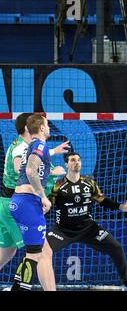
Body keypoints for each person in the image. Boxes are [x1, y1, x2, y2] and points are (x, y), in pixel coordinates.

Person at [37, 152, 127, 291]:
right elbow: (48, 204)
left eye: (79, 160)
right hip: (63, 231)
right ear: (66, 164)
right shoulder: (57, 185)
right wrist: (43, 208)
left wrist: (121, 207)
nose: (76, 162)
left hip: (89, 229)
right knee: (39, 251)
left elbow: (102, 200)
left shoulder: (89, 183)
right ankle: (21, 284)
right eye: (73, 160)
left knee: (116, 247)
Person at [0, 113, 69, 273]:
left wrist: (52, 152)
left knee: (8, 252)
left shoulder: (27, 145)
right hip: (14, 203)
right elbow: (21, 169)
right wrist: (51, 174)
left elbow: (32, 156)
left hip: (8, 203)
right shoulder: (20, 147)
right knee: (41, 252)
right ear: (27, 128)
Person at [9, 115, 58, 290]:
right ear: (42, 128)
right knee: (35, 255)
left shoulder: (30, 145)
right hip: (28, 202)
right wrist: (43, 197)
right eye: (47, 124)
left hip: (19, 202)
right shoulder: (40, 145)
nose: (49, 127)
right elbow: (30, 170)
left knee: (32, 253)